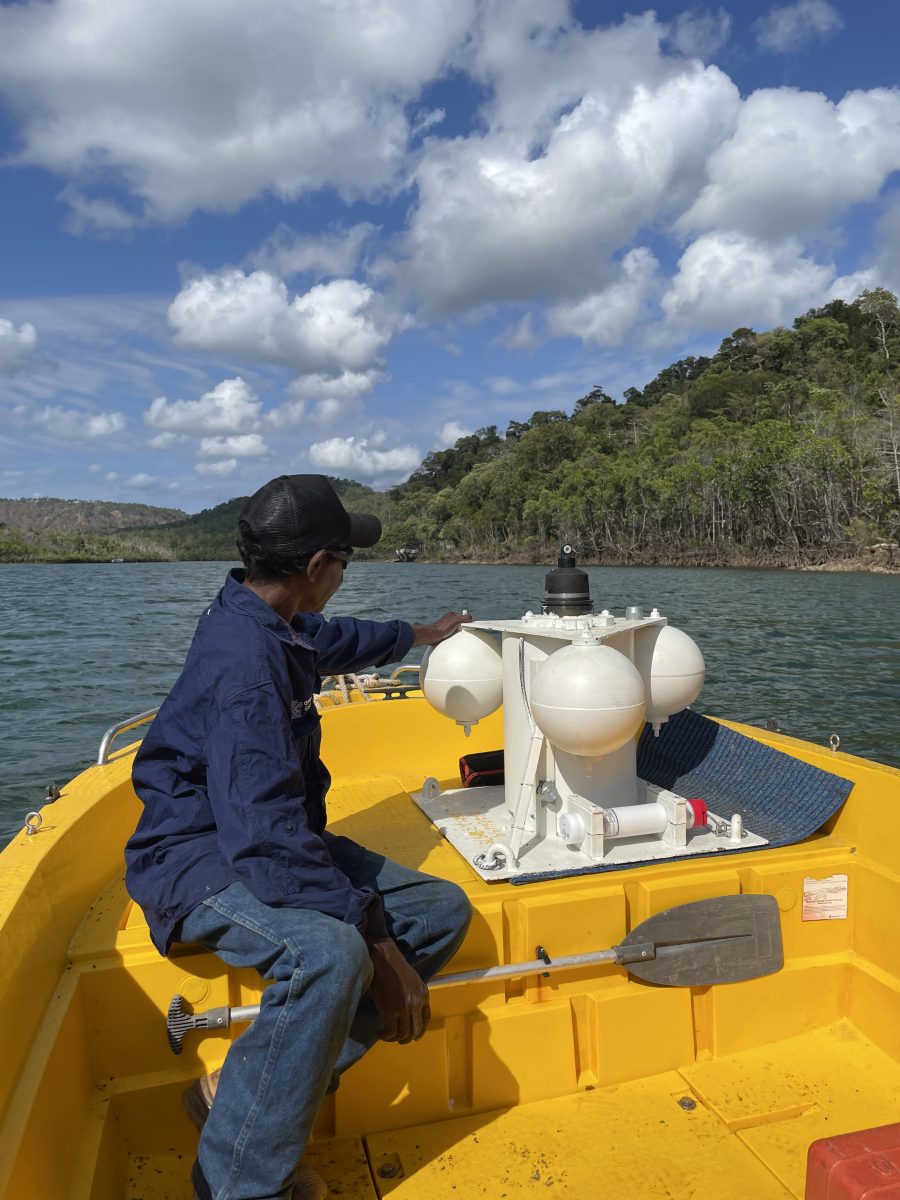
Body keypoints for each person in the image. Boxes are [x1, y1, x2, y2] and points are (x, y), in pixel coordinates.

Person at [124, 474, 473, 1200]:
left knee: (439, 913)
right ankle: (243, 1180)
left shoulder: (270, 620)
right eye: (346, 560)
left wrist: (420, 635)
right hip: (195, 853)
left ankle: (242, 1099)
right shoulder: (247, 668)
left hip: (260, 829)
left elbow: (334, 639)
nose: (346, 576)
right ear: (318, 568)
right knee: (330, 953)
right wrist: (375, 939)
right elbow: (265, 843)